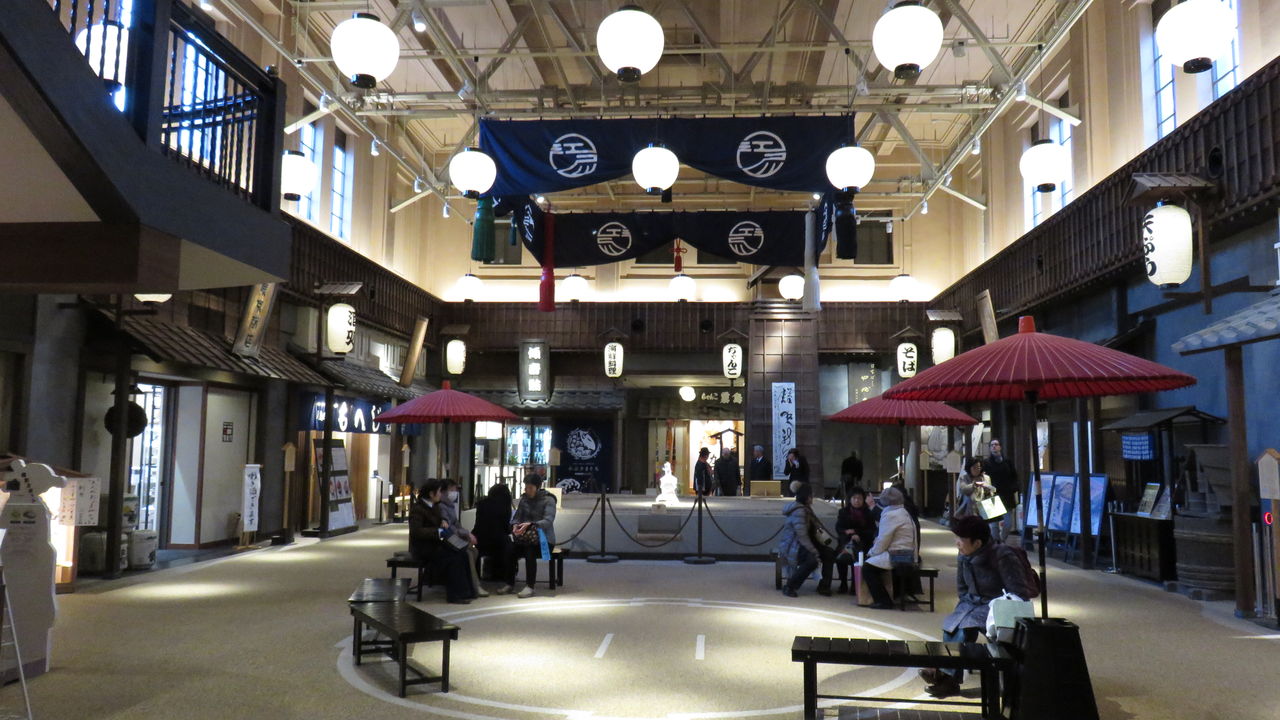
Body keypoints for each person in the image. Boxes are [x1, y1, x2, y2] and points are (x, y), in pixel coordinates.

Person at [920, 516, 1037, 698]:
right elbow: (962, 588)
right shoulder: (963, 555)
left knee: (963, 628)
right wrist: (966, 605)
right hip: (972, 603)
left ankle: (944, 675)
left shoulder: (1003, 555)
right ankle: (946, 676)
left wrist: (989, 608)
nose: (957, 543)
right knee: (952, 627)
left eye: (961, 539)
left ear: (977, 543)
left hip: (997, 606)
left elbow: (1018, 592)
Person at [408, 479, 475, 605]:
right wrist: (438, 531)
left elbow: (439, 519)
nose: (440, 494)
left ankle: (467, 592)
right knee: (454, 558)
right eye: (439, 492)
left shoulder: (435, 506)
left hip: (435, 544)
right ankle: (455, 595)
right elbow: (416, 531)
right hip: (423, 548)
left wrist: (443, 521)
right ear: (431, 494)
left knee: (462, 553)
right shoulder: (418, 509)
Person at [861, 486, 918, 609]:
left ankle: (883, 601)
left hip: (899, 554)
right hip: (907, 552)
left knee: (867, 568)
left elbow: (883, 540)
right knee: (873, 563)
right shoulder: (903, 511)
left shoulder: (891, 515)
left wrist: (871, 552)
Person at [505, 473, 558, 598]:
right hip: (526, 537)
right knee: (509, 549)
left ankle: (530, 586)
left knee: (530, 550)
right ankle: (509, 583)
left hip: (544, 539)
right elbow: (517, 517)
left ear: (538, 487)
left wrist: (532, 524)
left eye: (530, 487)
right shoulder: (524, 500)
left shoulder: (548, 500)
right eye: (526, 487)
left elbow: (548, 520)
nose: (527, 490)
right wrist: (515, 525)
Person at [776, 483, 834, 597]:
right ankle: (790, 586)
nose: (812, 497)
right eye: (811, 495)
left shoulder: (806, 508)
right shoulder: (799, 511)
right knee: (812, 561)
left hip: (806, 543)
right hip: (795, 545)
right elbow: (802, 537)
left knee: (829, 553)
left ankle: (824, 586)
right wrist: (814, 551)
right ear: (807, 497)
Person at [439, 479, 489, 597]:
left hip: (454, 536)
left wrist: (466, 534)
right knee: (468, 553)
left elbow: (456, 524)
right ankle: (475, 585)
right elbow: (449, 527)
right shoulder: (441, 506)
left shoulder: (449, 505)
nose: (454, 492)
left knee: (474, 551)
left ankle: (469, 580)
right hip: (448, 539)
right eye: (452, 489)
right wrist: (466, 534)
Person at [834, 487, 877, 594]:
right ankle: (843, 583)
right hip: (846, 542)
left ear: (863, 499)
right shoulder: (843, 512)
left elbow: (871, 530)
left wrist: (857, 533)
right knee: (840, 558)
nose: (857, 501)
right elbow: (839, 528)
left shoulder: (868, 513)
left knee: (858, 558)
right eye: (854, 498)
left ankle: (855, 584)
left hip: (863, 543)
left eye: (859, 498)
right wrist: (848, 533)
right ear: (850, 499)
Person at [472, 483, 514, 588]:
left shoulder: (482, 503)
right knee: (508, 544)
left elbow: (478, 523)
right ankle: (502, 575)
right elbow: (505, 525)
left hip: (480, 538)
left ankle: (478, 575)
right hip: (498, 540)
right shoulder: (505, 505)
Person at [956, 457, 1001, 537]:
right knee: (971, 531)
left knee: (984, 530)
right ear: (969, 468)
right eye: (974, 467)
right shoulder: (964, 478)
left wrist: (987, 488)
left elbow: (991, 492)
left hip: (985, 508)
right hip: (970, 509)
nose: (977, 470)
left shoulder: (986, 478)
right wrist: (974, 485)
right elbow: (964, 489)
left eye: (979, 467)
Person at [984, 439, 1019, 541]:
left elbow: (1014, 476)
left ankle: (1002, 540)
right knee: (994, 525)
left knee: (1008, 523)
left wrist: (1014, 488)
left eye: (996, 444)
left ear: (1000, 447)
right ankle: (997, 543)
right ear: (990, 448)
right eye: (992, 445)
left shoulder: (1007, 462)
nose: (994, 446)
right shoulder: (986, 463)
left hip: (1007, 495)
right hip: (992, 495)